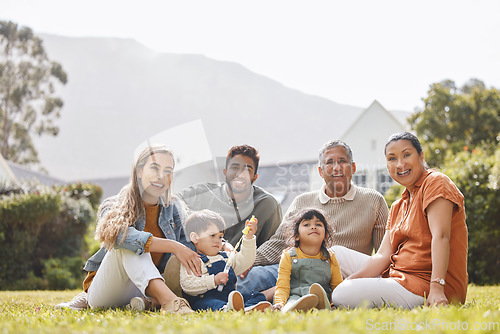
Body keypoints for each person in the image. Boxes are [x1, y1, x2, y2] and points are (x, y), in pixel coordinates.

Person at [56, 144, 201, 314]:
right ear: (139, 171)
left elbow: (195, 239)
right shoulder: (114, 205)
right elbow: (119, 237)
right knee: (130, 245)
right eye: (154, 168)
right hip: (109, 292)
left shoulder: (174, 208)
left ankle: (153, 301)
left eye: (168, 170)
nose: (161, 176)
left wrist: (224, 247)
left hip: (146, 290)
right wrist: (174, 246)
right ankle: (171, 303)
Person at [331, 132, 468, 309]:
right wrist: (350, 280)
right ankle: (306, 295)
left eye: (406, 155)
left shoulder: (436, 182)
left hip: (426, 285)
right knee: (333, 254)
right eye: (392, 158)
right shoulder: (398, 205)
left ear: (421, 156)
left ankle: (330, 295)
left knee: (342, 294)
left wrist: (436, 288)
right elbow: (382, 256)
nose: (400, 164)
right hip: (395, 275)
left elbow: (441, 237)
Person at [237, 140, 389, 298]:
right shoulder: (302, 201)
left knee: (294, 290)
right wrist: (248, 261)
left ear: (353, 168)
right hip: (295, 266)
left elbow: (382, 253)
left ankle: (262, 300)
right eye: (329, 162)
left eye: (342, 161)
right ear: (321, 171)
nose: (336, 167)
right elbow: (279, 242)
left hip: (338, 276)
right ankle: (219, 303)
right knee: (245, 280)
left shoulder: (374, 200)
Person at [177, 145, 282, 248]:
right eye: (235, 168)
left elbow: (273, 248)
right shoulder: (200, 194)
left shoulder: (268, 205)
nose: (240, 174)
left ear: (254, 178)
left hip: (246, 263)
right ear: (225, 172)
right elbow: (171, 202)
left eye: (247, 170)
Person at [180, 210, 271, 312]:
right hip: (206, 300)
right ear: (195, 237)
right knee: (212, 304)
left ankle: (248, 308)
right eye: (212, 235)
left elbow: (246, 261)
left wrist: (248, 238)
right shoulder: (193, 261)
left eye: (220, 237)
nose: (217, 240)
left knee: (257, 296)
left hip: (229, 298)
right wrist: (213, 280)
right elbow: (188, 286)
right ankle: (229, 309)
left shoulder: (226, 257)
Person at [273, 209, 343, 312]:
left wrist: (334, 304)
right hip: (296, 297)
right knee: (291, 305)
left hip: (322, 298)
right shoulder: (289, 256)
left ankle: (322, 306)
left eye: (318, 224)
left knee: (320, 295)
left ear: (325, 236)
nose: (313, 227)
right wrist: (279, 303)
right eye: (306, 224)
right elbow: (282, 286)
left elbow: (337, 286)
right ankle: (292, 308)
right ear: (296, 236)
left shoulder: (329, 257)